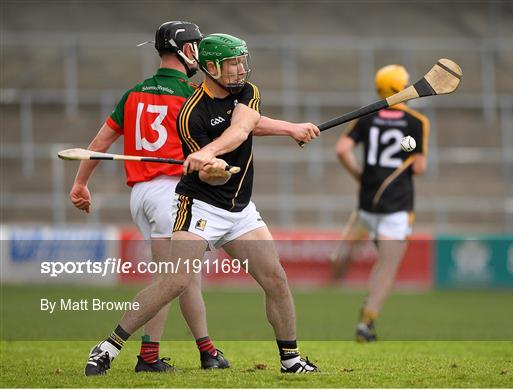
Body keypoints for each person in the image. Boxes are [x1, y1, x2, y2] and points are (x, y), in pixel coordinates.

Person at [81, 32, 320, 375]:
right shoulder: (190, 114)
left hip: (240, 210)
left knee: (275, 279)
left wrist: (288, 129)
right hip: (200, 206)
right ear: (210, 68)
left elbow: (243, 127)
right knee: (174, 281)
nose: (241, 70)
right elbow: (211, 177)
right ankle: (107, 347)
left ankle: (291, 359)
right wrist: (213, 169)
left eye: (242, 62)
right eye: (233, 64)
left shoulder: (248, 93)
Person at [334, 64, 429, 342]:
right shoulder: (415, 122)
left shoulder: (367, 118)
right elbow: (420, 167)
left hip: (367, 203)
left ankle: (349, 261)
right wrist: (406, 148)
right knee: (388, 265)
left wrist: (359, 175)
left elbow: (342, 149)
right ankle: (367, 322)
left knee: (377, 256)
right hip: (396, 205)